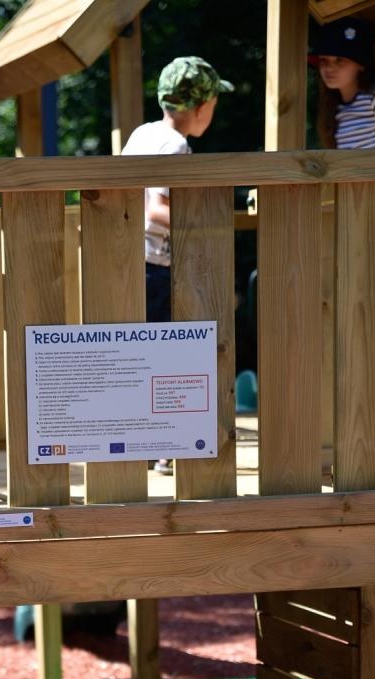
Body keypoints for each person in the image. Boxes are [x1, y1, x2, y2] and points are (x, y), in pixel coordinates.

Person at [122, 56, 233, 476]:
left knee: (140, 355)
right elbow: (156, 211)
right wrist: (206, 225)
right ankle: (167, 444)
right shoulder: (176, 145)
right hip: (156, 266)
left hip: (128, 261)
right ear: (203, 106)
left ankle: (145, 444)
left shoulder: (143, 133)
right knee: (169, 356)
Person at [311, 17, 375, 149]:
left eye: (340, 60)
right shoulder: (333, 111)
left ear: (361, 65)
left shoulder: (374, 99)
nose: (329, 68)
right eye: (324, 60)